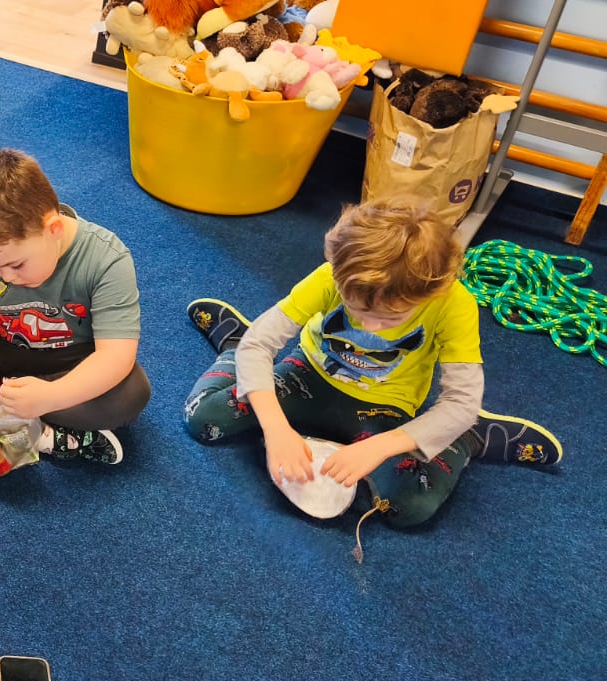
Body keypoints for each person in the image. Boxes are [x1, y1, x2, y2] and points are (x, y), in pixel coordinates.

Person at [182, 199, 563, 528]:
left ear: (433, 290)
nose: (370, 327)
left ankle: (469, 438)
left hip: (385, 409)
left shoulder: (453, 302)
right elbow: (260, 346)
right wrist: (276, 428)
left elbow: (462, 402)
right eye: (358, 310)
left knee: (408, 507)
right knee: (204, 420)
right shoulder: (334, 274)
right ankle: (232, 346)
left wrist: (382, 446)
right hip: (307, 377)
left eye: (389, 318)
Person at [0, 148, 151, 462]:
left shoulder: (107, 260)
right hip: (2, 347)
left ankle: (3, 420)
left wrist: (53, 395)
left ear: (53, 229)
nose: (6, 276)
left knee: (131, 393)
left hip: (72, 360)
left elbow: (115, 356)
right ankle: (51, 435)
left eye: (17, 265)